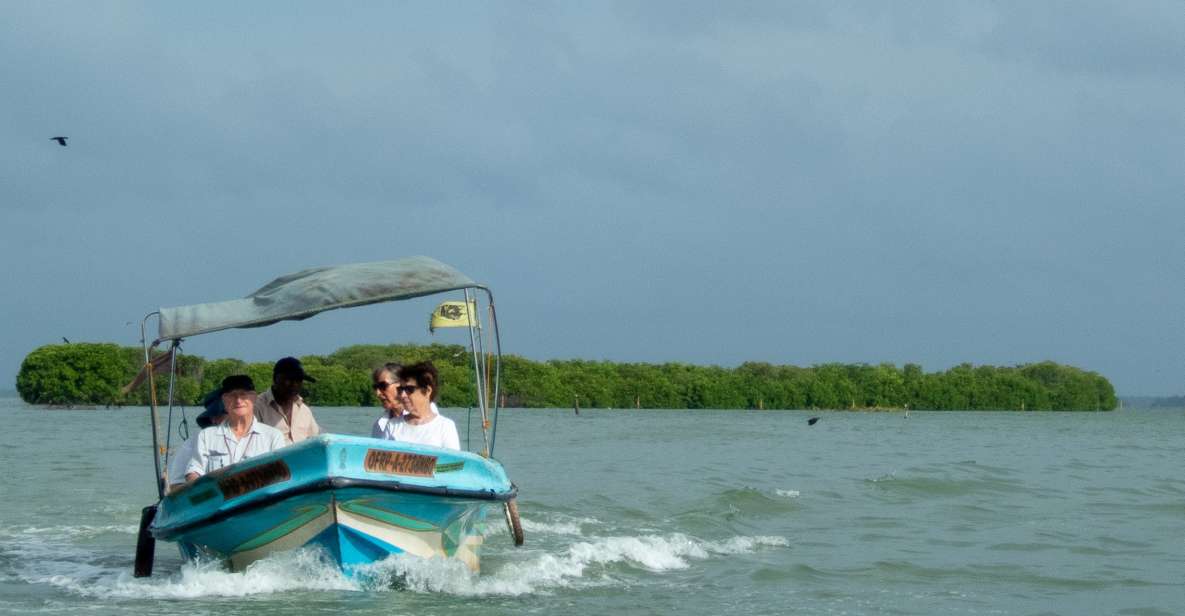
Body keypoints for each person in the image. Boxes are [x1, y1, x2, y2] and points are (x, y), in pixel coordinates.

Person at [186, 375, 286, 480]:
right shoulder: (206, 435)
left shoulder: (273, 436)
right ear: (224, 400)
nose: (238, 400)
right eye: (232, 395)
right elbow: (194, 470)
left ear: (254, 397)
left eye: (243, 395)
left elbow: (279, 475)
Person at [372, 361, 459, 450]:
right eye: (401, 389)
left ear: (427, 391)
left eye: (409, 389)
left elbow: (454, 462)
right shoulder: (391, 425)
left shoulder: (445, 426)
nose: (402, 395)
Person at [165, 389, 226, 490]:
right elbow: (175, 486)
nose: (214, 420)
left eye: (219, 415)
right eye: (212, 416)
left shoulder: (259, 435)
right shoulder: (194, 442)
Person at [255, 356, 320, 444]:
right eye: (289, 380)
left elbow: (316, 440)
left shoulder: (304, 410)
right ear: (275, 379)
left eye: (298, 380)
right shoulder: (257, 407)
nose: (294, 385)